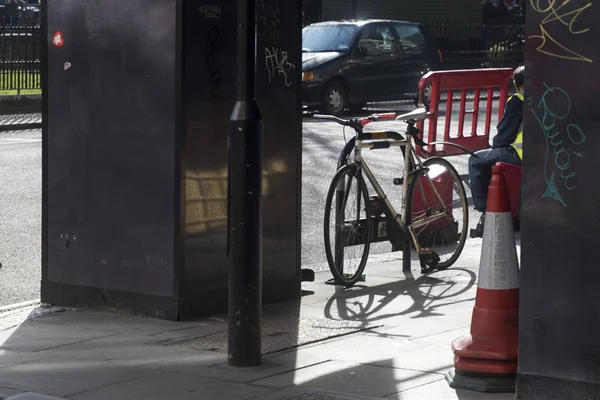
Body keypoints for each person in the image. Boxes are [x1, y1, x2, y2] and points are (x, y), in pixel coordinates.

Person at [469, 65, 524, 237]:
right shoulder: (545, 97)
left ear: (516, 84)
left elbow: (505, 133)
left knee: (476, 160)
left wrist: (495, 148)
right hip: (540, 156)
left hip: (518, 154)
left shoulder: (517, 100)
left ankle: (485, 210)